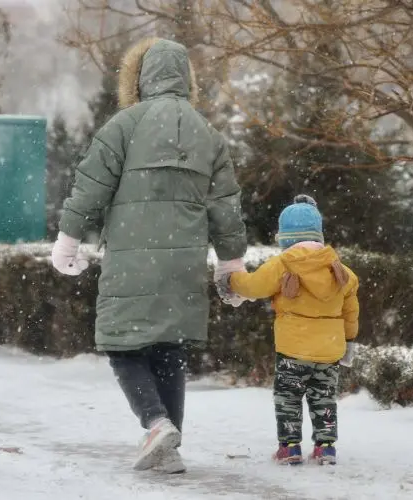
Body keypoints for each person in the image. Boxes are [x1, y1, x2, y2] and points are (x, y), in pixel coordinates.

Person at [50, 37, 247, 474]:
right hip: (184, 264)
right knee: (169, 350)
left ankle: (156, 424)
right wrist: (231, 263)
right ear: (187, 79)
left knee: (123, 346)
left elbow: (90, 187)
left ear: (138, 78)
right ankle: (168, 447)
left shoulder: (124, 125)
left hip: (133, 259)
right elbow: (226, 207)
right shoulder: (208, 135)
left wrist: (69, 238)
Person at [215, 195, 359, 466]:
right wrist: (349, 341)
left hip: (293, 350)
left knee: (288, 398)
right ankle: (325, 447)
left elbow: (254, 286)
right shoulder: (342, 272)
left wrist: (231, 279)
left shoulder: (283, 264)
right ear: (319, 235)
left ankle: (290, 446)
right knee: (324, 399)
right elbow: (351, 313)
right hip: (329, 351)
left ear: (286, 237)